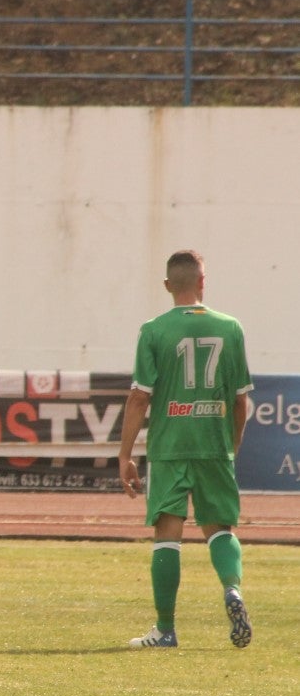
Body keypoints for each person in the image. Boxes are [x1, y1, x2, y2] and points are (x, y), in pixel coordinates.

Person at [118, 249, 254, 649]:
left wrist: (125, 454)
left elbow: (139, 398)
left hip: (170, 445)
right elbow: (241, 400)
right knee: (219, 528)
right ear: (202, 282)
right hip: (213, 443)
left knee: (167, 535)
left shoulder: (154, 330)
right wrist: (232, 445)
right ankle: (232, 590)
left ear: (166, 286)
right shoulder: (230, 328)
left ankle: (165, 629)